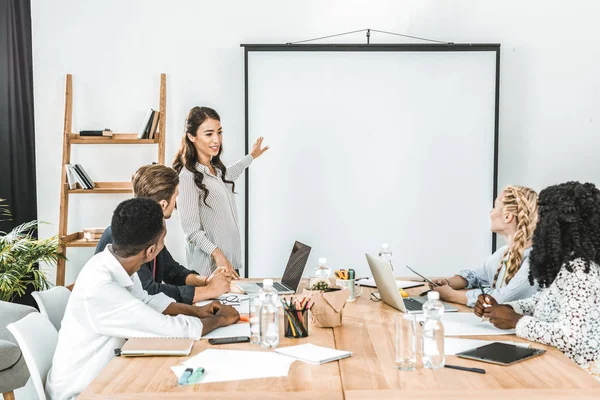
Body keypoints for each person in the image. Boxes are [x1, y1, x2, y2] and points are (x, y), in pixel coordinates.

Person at [46, 198, 239, 399]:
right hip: (82, 392)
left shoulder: (114, 264)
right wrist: (221, 319)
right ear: (150, 252)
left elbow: (146, 301)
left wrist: (197, 311)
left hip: (107, 376)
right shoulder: (102, 288)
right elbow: (171, 330)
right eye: (163, 240)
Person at [475, 182, 600, 381]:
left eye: (542, 215)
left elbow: (570, 337)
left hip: (578, 378)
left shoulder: (581, 270)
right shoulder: (567, 261)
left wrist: (516, 321)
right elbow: (543, 301)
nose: (536, 221)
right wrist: (506, 308)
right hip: (557, 366)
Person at [95, 164, 233, 304]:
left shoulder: (150, 229)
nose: (176, 205)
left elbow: (172, 271)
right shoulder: (125, 235)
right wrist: (208, 291)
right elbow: (148, 292)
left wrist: (205, 281)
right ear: (163, 205)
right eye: (175, 198)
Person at [173, 106, 269, 276]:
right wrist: (218, 255)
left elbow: (230, 173)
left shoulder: (215, 170)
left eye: (219, 132)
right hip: (209, 269)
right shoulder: (187, 177)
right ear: (191, 136)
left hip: (228, 263)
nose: (216, 140)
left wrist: (251, 156)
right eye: (209, 134)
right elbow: (191, 231)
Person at [431, 186, 539, 306]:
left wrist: (451, 295)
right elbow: (478, 276)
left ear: (507, 216)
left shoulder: (535, 260)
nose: (490, 212)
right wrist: (449, 282)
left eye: (495, 206)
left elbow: (502, 298)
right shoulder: (504, 252)